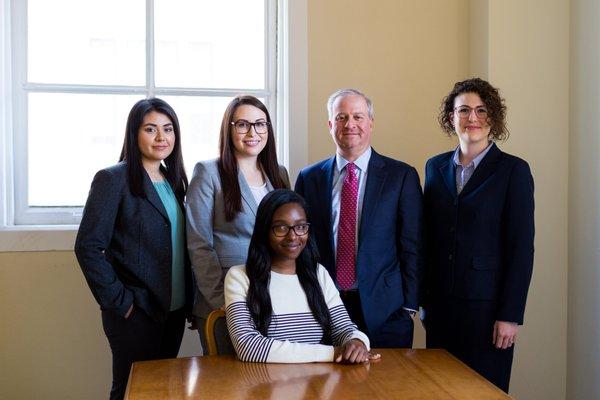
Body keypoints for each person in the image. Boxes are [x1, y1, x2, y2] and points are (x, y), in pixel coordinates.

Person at [423, 77, 535, 393]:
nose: (472, 118)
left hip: (488, 312)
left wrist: (510, 316)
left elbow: (521, 248)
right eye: (463, 110)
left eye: (481, 110)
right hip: (441, 309)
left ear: (493, 117)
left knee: (483, 392)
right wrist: (422, 302)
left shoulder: (514, 171)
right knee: (438, 391)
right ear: (451, 118)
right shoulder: (434, 167)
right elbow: (428, 238)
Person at [74, 98, 191, 400]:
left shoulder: (174, 180)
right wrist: (120, 301)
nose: (161, 137)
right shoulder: (113, 179)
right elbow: (88, 246)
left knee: (162, 390)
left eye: (168, 129)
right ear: (134, 133)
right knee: (130, 391)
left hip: (173, 310)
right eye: (150, 129)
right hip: (136, 311)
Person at [295, 88, 423, 348]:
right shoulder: (309, 178)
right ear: (330, 125)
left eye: (358, 117)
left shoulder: (400, 176)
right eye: (341, 117)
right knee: (327, 388)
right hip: (324, 308)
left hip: (386, 312)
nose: (349, 124)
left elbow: (413, 245)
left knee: (389, 388)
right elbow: (301, 245)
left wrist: (409, 306)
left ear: (371, 123)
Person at [186, 95, 289, 354]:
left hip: (273, 298)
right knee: (227, 385)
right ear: (229, 128)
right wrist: (221, 299)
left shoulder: (279, 173)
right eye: (242, 124)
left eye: (260, 124)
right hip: (225, 297)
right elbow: (199, 243)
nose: (252, 132)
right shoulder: (208, 172)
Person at [225, 189, 371, 363]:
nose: (293, 236)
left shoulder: (318, 273)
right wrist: (333, 353)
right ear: (264, 230)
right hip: (265, 386)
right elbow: (248, 347)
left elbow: (344, 328)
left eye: (301, 227)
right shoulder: (239, 277)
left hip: (320, 385)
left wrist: (356, 342)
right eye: (281, 227)